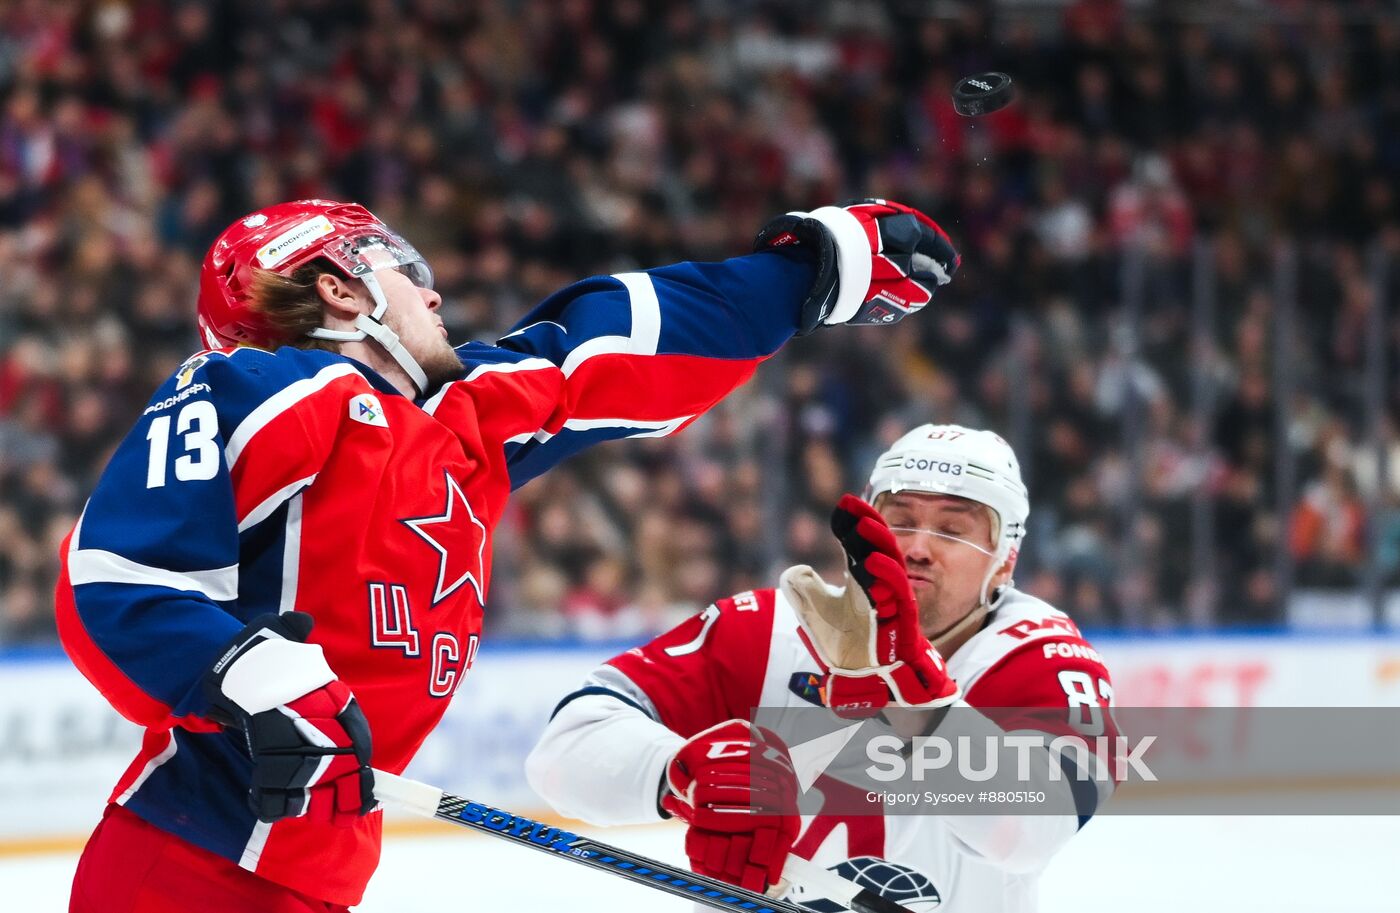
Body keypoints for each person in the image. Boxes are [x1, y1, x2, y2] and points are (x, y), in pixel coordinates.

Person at [55, 197, 960, 913]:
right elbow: (119, 578)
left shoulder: (463, 420)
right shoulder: (258, 383)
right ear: (339, 286)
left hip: (309, 866)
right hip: (185, 862)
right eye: (407, 273)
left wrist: (815, 270)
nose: (435, 294)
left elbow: (609, 344)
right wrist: (253, 678)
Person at [526, 424, 1116, 912]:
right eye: (901, 517)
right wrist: (676, 772)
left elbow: (1032, 832)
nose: (915, 546)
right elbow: (563, 749)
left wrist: (922, 702)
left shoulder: (1039, 659)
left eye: (953, 530)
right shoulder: (769, 628)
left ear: (1006, 560)